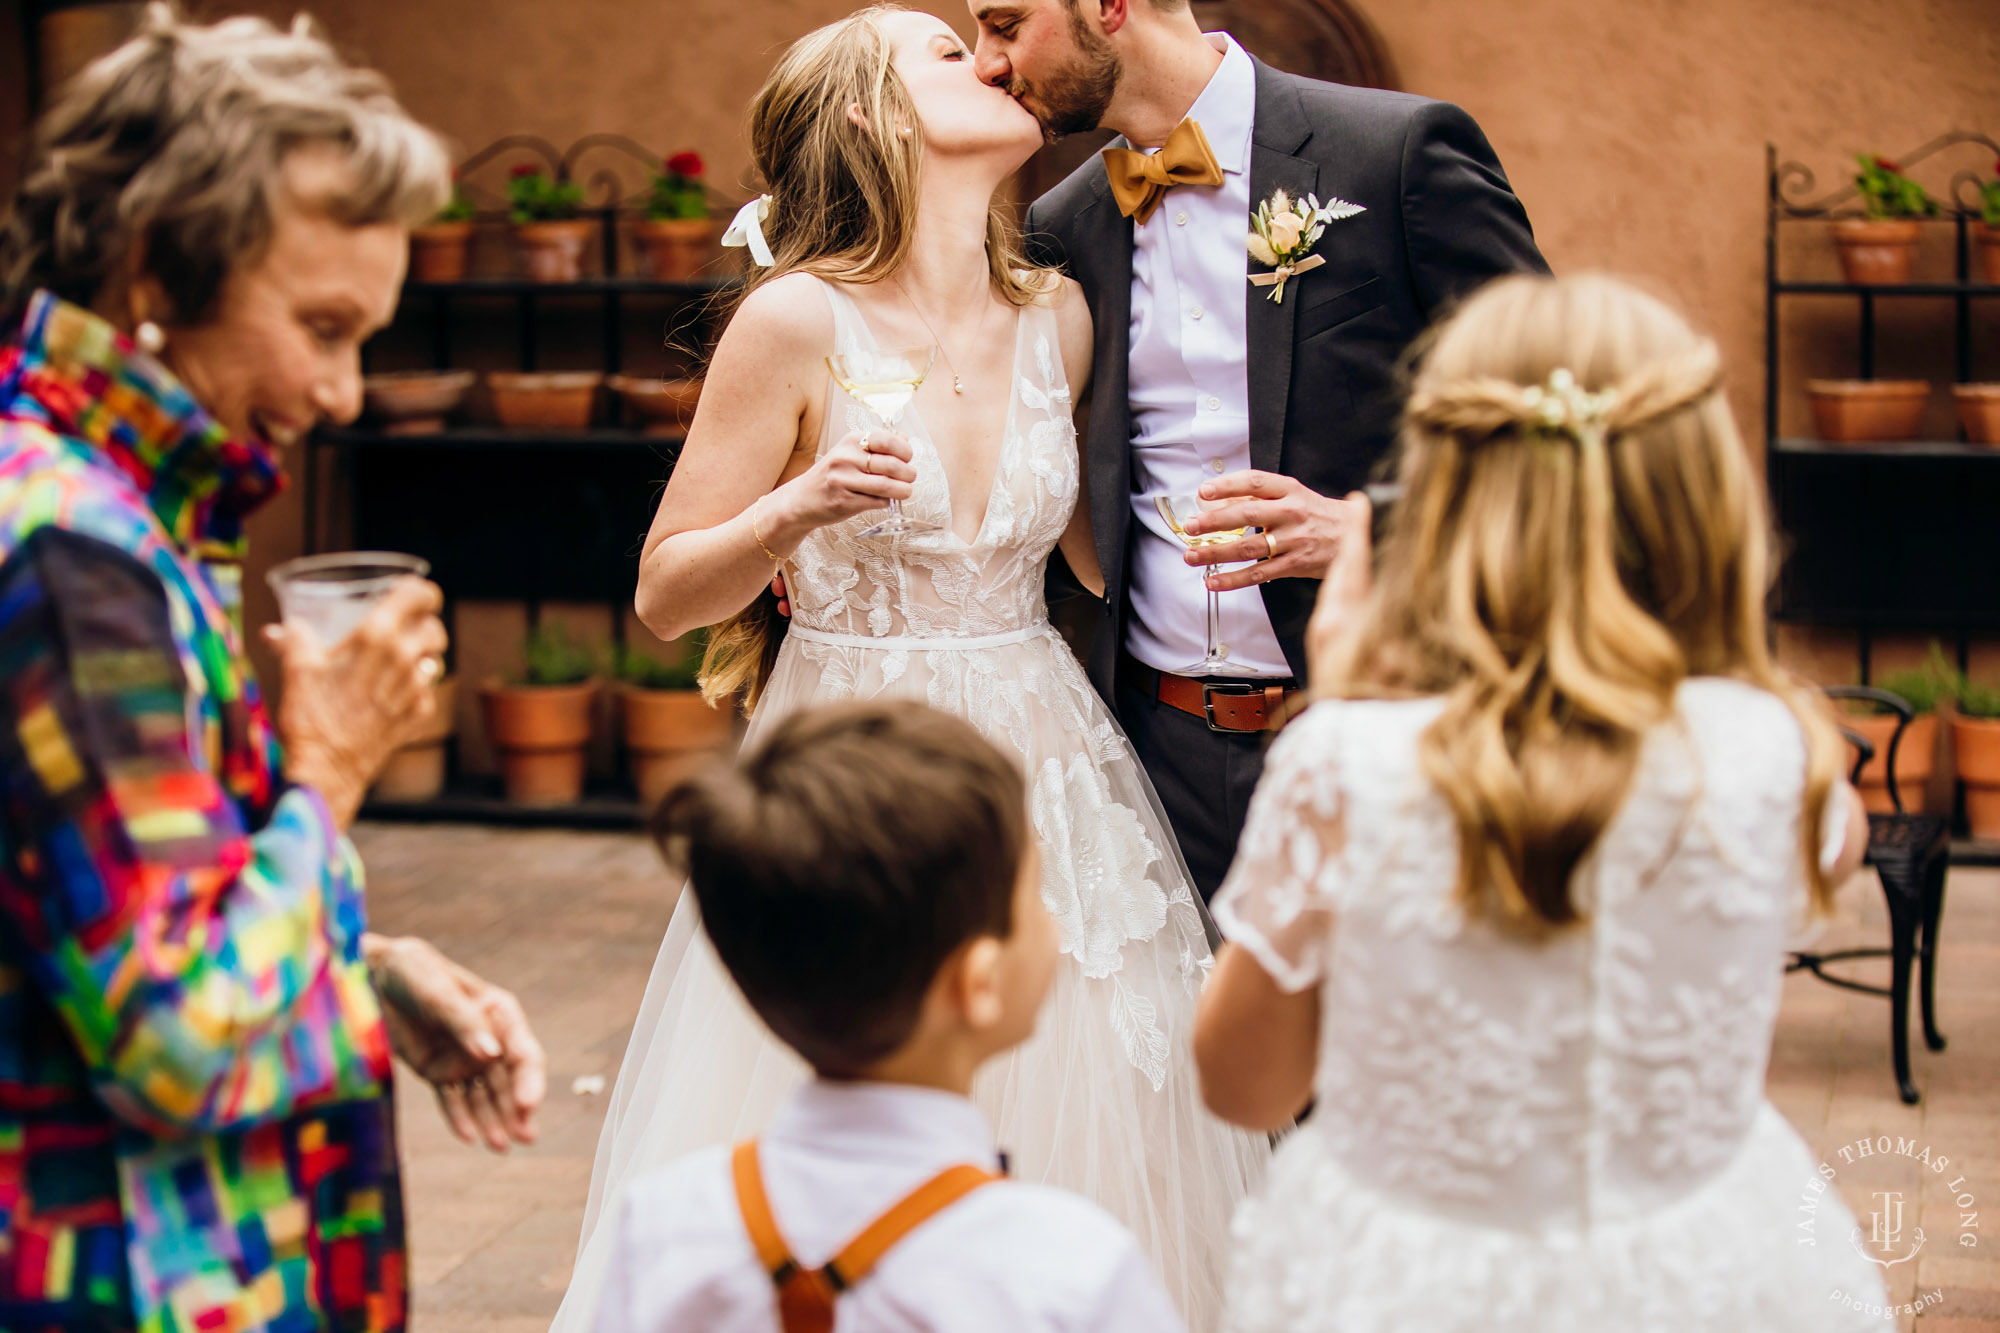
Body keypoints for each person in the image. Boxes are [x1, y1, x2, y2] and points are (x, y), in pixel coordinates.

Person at [559, 8, 1264, 1330]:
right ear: (879, 120)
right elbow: (665, 594)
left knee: (1101, 1080)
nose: (992, 58)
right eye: (950, 53)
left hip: (1045, 761)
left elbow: (1098, 565)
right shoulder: (796, 321)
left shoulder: (1055, 315)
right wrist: (792, 509)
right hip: (855, 756)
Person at [1191, 273, 1890, 1332]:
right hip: (1712, 1272)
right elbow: (1826, 851)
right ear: (1703, 498)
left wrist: (1348, 697)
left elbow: (1243, 1089)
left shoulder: (1351, 763)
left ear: (1439, 503)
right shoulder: (1777, 751)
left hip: (1413, 1287)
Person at [0, 11, 545, 1331]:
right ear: (153, 270)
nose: (349, 391)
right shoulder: (77, 562)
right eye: (323, 325)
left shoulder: (107, 510)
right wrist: (326, 771)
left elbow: (93, 929)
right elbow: (179, 1036)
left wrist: (357, 968)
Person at [964, 0, 1550, 899]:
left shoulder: (1394, 153)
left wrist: (1370, 529)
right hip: (1157, 755)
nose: (987, 63)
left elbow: (1569, 423)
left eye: (1004, 23)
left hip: (1384, 728)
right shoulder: (1064, 222)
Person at [591, 702, 1186, 1333]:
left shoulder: (662, 1225)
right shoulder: (1071, 1271)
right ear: (977, 983)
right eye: (1036, 899)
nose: (1058, 923)